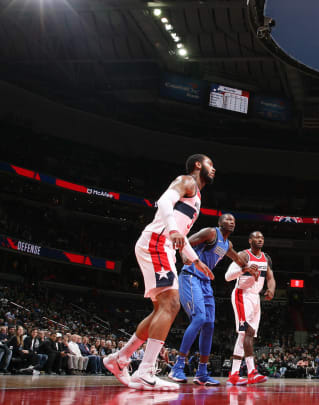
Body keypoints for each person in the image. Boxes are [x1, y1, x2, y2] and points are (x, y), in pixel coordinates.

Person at [104, 154, 215, 390]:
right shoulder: (187, 181)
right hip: (157, 243)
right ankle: (145, 371)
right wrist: (173, 230)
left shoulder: (197, 196)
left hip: (161, 246)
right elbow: (164, 202)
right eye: (210, 164)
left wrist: (195, 261)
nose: (213, 169)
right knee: (172, 304)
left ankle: (120, 358)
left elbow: (180, 234)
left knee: (160, 310)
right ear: (198, 165)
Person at [168, 213, 250, 385]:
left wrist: (249, 268)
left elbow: (236, 258)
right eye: (227, 219)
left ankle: (202, 373)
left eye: (234, 220)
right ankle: (177, 367)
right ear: (220, 223)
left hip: (205, 282)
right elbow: (186, 242)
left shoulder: (227, 244)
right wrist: (185, 256)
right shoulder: (211, 233)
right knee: (199, 318)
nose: (231, 222)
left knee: (209, 325)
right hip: (191, 276)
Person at [225, 231, 276, 385]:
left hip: (255, 298)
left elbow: (270, 277)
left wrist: (271, 289)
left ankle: (234, 374)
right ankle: (251, 372)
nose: (260, 239)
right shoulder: (243, 256)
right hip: (242, 295)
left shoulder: (266, 258)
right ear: (249, 240)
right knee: (248, 331)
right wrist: (244, 269)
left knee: (245, 335)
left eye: (262, 237)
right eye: (256, 237)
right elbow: (228, 276)